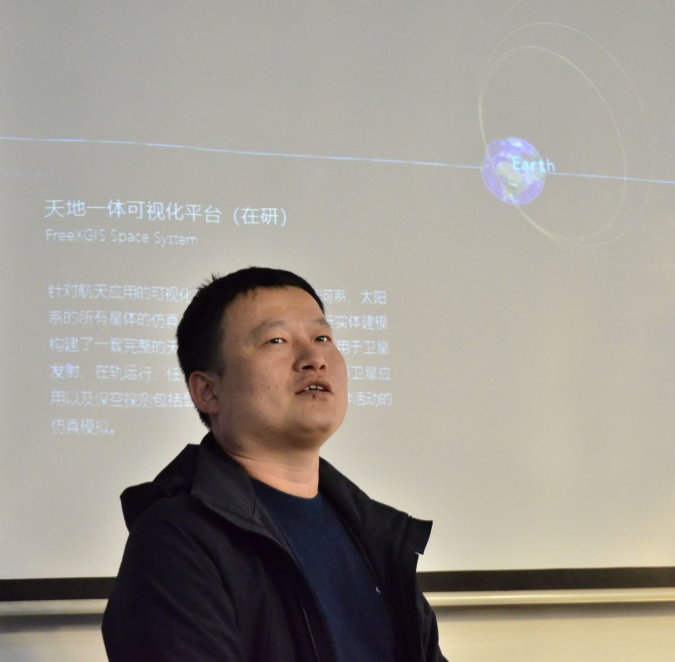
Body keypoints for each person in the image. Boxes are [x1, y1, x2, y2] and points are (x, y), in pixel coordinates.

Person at [102, 267, 445, 661]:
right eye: (276, 340)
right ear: (207, 391)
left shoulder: (374, 534)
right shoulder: (176, 541)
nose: (314, 359)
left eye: (322, 338)